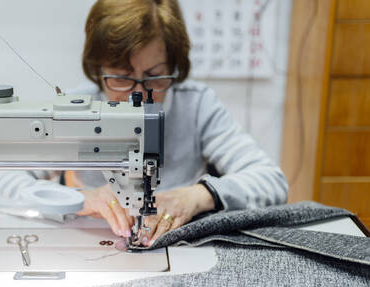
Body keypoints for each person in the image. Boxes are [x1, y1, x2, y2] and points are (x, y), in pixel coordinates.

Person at [67, 0, 288, 246]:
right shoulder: (77, 108)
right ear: (98, 71)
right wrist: (78, 198)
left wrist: (198, 196)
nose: (137, 95)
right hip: (92, 239)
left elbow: (271, 181)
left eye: (155, 77)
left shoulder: (196, 105)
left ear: (174, 69)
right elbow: (15, 181)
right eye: (121, 77)